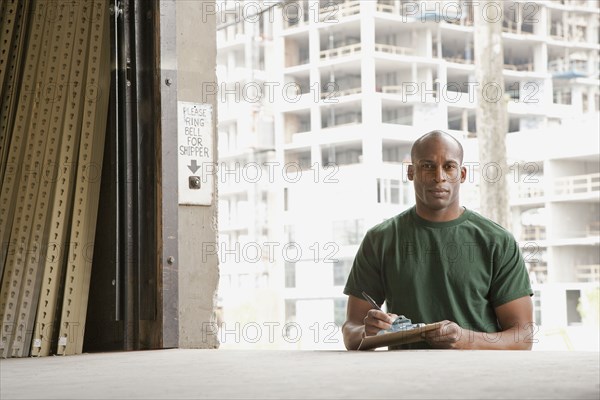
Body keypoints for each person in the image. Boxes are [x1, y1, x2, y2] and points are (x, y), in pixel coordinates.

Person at [342, 130, 534, 350]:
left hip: (480, 378)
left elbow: (523, 337)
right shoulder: (380, 239)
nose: (439, 176)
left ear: (461, 174)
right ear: (411, 172)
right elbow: (351, 332)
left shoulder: (497, 241)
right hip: (402, 380)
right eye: (427, 166)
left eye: (449, 167)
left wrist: (464, 339)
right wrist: (368, 332)